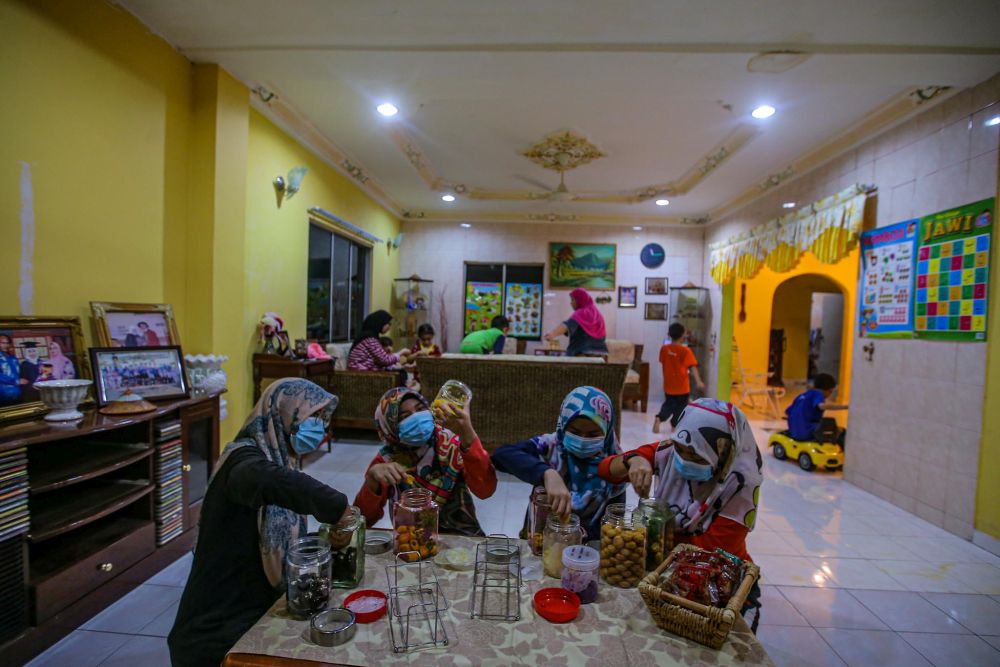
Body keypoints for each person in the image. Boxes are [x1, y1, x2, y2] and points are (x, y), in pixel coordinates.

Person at [168, 379, 349, 667]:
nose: (320, 428)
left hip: (252, 613)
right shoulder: (242, 460)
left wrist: (323, 541)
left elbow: (274, 545)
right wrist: (334, 506)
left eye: (323, 420)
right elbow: (266, 481)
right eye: (313, 417)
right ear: (284, 412)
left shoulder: (279, 457)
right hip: (215, 634)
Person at [598, 398, 764, 629]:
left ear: (724, 452)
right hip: (665, 569)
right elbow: (606, 469)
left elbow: (704, 557)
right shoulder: (668, 452)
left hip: (717, 578)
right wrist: (634, 461)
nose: (684, 460)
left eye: (696, 456)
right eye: (681, 450)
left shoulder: (737, 486)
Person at [354, 387, 497, 536]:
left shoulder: (451, 445)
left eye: (421, 409)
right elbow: (363, 520)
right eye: (405, 416)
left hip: (460, 538)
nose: (417, 418)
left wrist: (467, 433)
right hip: (410, 541)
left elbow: (485, 490)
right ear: (390, 426)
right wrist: (372, 479)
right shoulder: (387, 460)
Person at [492, 386, 625, 541]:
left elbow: (612, 527)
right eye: (574, 432)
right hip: (539, 540)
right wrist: (547, 474)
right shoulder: (551, 448)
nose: (582, 440)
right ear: (563, 426)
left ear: (607, 432)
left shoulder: (614, 467)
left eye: (593, 434)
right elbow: (502, 455)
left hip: (588, 552)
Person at [653, 322, 705, 434]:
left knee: (668, 404)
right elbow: (692, 367)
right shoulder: (685, 351)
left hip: (669, 385)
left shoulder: (664, 349)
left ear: (669, 334)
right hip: (682, 386)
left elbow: (663, 362)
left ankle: (659, 418)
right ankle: (674, 426)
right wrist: (699, 381)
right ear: (683, 335)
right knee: (681, 408)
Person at [785, 373, 848, 445]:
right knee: (840, 430)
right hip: (807, 433)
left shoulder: (803, 395)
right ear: (829, 390)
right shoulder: (818, 394)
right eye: (831, 392)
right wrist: (845, 407)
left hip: (793, 432)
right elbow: (821, 406)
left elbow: (788, 412)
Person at [543, 288, 608, 357]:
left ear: (580, 300)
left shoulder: (582, 312)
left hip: (582, 354)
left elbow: (567, 325)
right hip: (601, 354)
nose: (571, 303)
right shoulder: (598, 314)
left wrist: (552, 334)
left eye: (573, 300)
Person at [347, 311, 420, 371]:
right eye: (388, 324)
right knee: (400, 375)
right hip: (362, 374)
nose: (389, 327)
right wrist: (401, 352)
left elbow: (381, 360)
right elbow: (385, 360)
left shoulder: (370, 336)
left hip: (368, 371)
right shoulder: (369, 339)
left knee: (400, 371)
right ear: (380, 323)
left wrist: (402, 367)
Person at [0, 334, 21, 405]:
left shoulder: (13, 358)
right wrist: (17, 381)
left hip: (17, 393)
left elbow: (18, 373)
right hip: (3, 394)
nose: (6, 345)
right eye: (2, 343)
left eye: (7, 343)